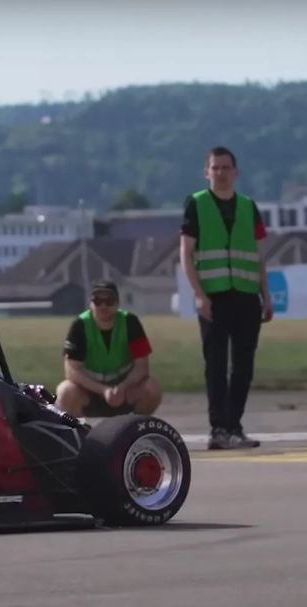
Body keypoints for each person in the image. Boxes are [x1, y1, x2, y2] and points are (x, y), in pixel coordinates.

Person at [179, 146, 273, 450]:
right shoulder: (196, 204)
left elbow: (259, 255)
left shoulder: (248, 207)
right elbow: (186, 253)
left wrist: (266, 295)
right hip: (214, 297)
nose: (220, 172)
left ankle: (235, 427)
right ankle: (218, 428)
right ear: (206, 172)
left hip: (246, 296)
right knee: (216, 364)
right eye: (215, 167)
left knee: (244, 365)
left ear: (236, 172)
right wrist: (199, 295)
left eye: (225, 167)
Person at [55, 281, 162, 417]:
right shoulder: (80, 325)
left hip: (125, 390)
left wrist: (122, 388)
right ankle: (78, 433)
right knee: (65, 392)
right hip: (90, 391)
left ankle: (137, 426)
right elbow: (72, 371)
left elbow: (142, 367)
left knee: (152, 389)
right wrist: (104, 390)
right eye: (98, 301)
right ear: (90, 303)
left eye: (109, 301)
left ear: (117, 303)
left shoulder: (130, 322)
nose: (103, 306)